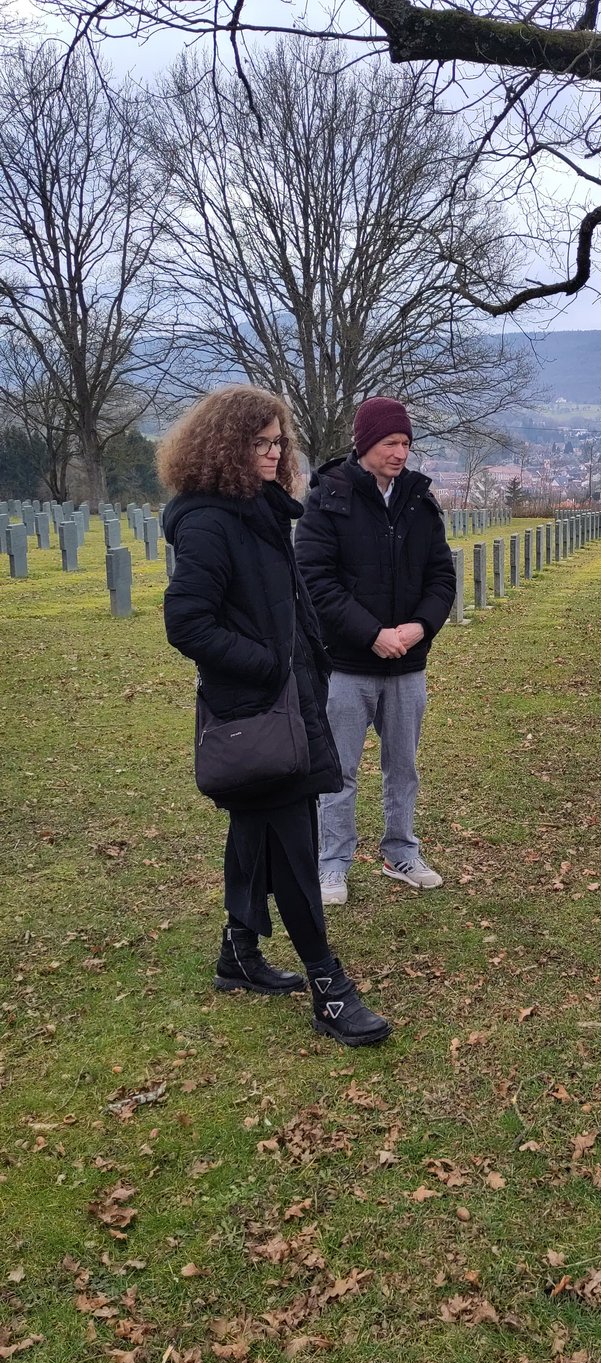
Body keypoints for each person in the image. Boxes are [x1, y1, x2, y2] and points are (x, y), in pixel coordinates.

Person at [161, 385, 391, 1046]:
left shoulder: (260, 510)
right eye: (258, 443)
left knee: (256, 831)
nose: (272, 453)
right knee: (292, 844)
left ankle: (238, 954)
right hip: (259, 707)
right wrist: (268, 665)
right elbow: (187, 622)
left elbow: (283, 603)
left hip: (292, 700)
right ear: (224, 447)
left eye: (277, 441)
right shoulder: (210, 523)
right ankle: (329, 989)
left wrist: (308, 657)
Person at [295, 396, 455, 906]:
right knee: (338, 770)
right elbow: (315, 581)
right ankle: (332, 863)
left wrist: (419, 627)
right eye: (390, 442)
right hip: (345, 665)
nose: (400, 453)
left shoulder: (419, 501)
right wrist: (372, 633)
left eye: (406, 443)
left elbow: (441, 576)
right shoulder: (327, 499)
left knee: (403, 767)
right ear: (364, 443)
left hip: (407, 664)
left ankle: (400, 852)